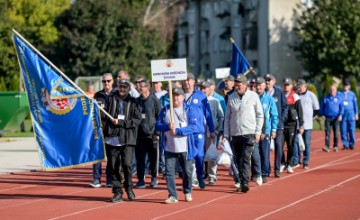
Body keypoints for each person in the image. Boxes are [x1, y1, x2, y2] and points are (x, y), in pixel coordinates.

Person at [156, 88, 198, 204]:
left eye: (178, 95)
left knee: (187, 172)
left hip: (185, 148)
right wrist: (167, 126)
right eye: (173, 95)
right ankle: (173, 195)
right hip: (170, 147)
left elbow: (194, 127)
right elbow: (158, 125)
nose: (175, 98)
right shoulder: (165, 110)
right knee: (169, 173)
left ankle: (187, 190)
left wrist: (179, 131)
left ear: (182, 97)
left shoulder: (188, 110)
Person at [103, 79, 142, 202]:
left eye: (125, 87)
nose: (122, 89)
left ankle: (129, 188)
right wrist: (98, 107)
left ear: (128, 89)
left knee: (127, 165)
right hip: (112, 138)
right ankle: (117, 191)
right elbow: (104, 115)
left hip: (127, 138)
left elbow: (137, 120)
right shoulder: (110, 99)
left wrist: (120, 122)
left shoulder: (133, 102)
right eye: (120, 87)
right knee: (113, 166)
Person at [224, 74, 264, 193]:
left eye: (239, 84)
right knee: (238, 159)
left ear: (245, 84)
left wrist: (258, 132)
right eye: (236, 84)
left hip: (249, 132)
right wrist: (226, 134)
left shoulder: (253, 96)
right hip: (236, 134)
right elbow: (227, 117)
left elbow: (260, 115)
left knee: (246, 158)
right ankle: (241, 181)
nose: (237, 87)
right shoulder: (231, 97)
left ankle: (245, 182)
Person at [183, 73, 215, 189]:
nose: (186, 82)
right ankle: (192, 178)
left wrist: (212, 129)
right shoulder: (179, 95)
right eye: (185, 80)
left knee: (199, 155)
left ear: (193, 82)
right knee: (187, 156)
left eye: (189, 80)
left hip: (198, 130)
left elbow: (208, 113)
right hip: (185, 131)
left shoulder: (200, 95)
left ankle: (200, 176)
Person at [134, 78, 161, 188]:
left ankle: (154, 178)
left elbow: (159, 117)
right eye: (139, 86)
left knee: (153, 158)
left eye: (142, 86)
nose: (140, 88)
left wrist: (157, 133)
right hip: (139, 135)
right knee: (140, 158)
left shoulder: (154, 100)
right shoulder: (137, 101)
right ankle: (141, 179)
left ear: (148, 88)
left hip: (152, 135)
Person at [89, 73, 115, 188]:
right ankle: (96, 179)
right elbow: (92, 113)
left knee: (111, 156)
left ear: (112, 81)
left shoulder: (117, 95)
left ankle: (109, 179)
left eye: (108, 81)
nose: (106, 83)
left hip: (113, 130)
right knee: (97, 155)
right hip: (99, 129)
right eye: (104, 81)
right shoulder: (98, 95)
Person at [199, 81, 224, 185]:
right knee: (199, 155)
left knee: (211, 155)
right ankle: (198, 175)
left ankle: (212, 176)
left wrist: (217, 131)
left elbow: (221, 117)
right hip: (199, 133)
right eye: (202, 88)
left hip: (211, 133)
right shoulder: (195, 101)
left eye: (205, 88)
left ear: (210, 89)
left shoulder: (215, 101)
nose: (203, 90)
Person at [254, 77, 278, 184]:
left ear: (264, 86)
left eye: (261, 85)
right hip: (253, 131)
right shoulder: (252, 98)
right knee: (254, 154)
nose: (259, 87)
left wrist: (273, 129)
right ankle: (256, 173)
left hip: (266, 131)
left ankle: (264, 173)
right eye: (257, 85)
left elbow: (274, 115)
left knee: (264, 153)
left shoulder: (269, 99)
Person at [264, 74, 288, 177]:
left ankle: (277, 169)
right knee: (265, 148)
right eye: (266, 80)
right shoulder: (262, 94)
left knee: (279, 147)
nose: (267, 82)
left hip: (278, 126)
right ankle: (267, 168)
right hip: (265, 126)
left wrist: (281, 120)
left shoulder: (279, 93)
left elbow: (285, 107)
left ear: (274, 81)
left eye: (269, 80)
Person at [295, 79, 320, 169]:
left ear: (305, 87)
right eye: (298, 87)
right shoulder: (296, 95)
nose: (299, 88)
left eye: (300, 86)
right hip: (297, 124)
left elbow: (316, 109)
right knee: (297, 143)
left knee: (306, 143)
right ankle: (298, 159)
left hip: (307, 125)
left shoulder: (311, 95)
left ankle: (306, 161)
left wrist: (311, 117)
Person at [281, 78, 304, 174]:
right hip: (281, 125)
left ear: (291, 86)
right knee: (280, 145)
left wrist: (301, 125)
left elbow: (300, 112)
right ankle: (282, 163)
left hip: (292, 125)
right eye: (285, 85)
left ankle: (289, 164)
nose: (286, 86)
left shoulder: (295, 97)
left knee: (290, 145)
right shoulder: (280, 95)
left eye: (288, 85)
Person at [320, 85, 344, 152]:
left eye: (333, 89)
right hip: (328, 117)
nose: (332, 91)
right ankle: (327, 146)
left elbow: (342, 107)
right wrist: (322, 114)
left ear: (336, 90)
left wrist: (340, 115)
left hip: (336, 118)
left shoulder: (339, 98)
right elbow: (322, 106)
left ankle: (335, 146)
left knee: (336, 133)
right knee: (327, 133)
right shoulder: (326, 98)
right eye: (331, 89)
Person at [339, 81, 358, 150]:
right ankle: (345, 144)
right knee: (343, 130)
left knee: (351, 129)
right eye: (344, 85)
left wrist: (356, 114)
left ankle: (352, 144)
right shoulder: (339, 93)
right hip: (343, 113)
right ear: (342, 86)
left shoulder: (352, 94)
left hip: (351, 113)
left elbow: (355, 105)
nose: (345, 87)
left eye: (347, 86)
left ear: (349, 87)